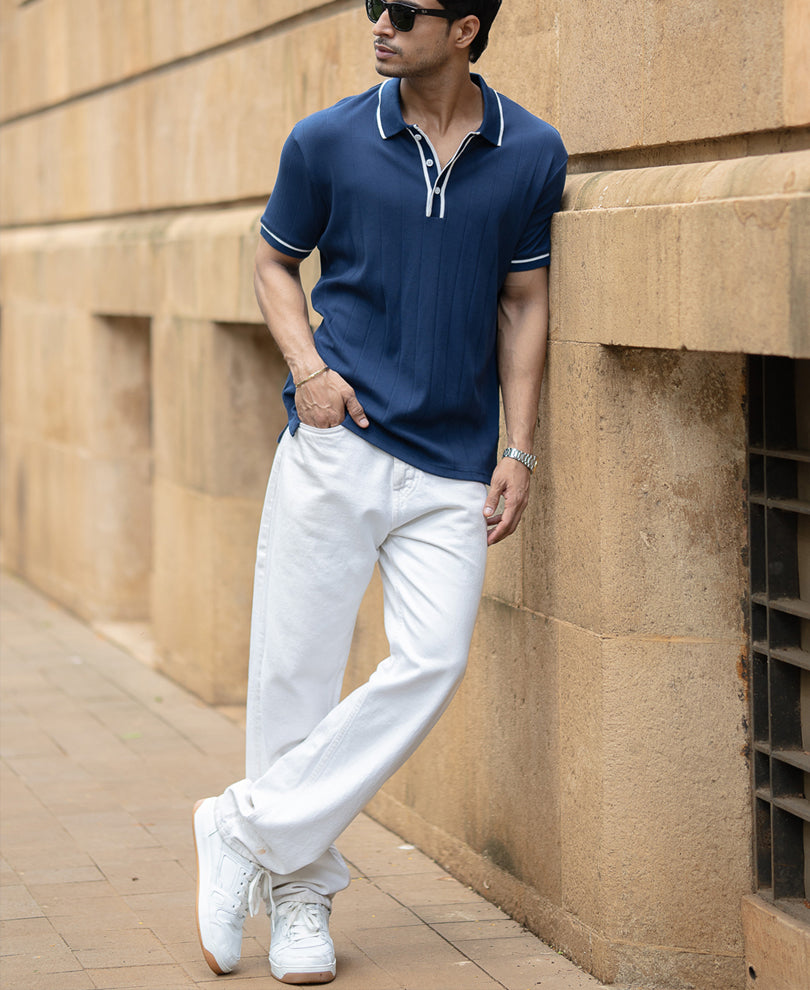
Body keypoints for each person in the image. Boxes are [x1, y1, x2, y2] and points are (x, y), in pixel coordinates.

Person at [192, 0, 567, 983]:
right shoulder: (325, 141)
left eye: (404, 11)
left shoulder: (531, 151)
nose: (381, 25)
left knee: (434, 657)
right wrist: (309, 372)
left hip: (454, 463)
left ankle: (241, 827)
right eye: (373, 8)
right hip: (339, 444)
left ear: (467, 29)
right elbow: (274, 261)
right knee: (295, 675)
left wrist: (520, 449)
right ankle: (301, 899)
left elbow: (524, 301)